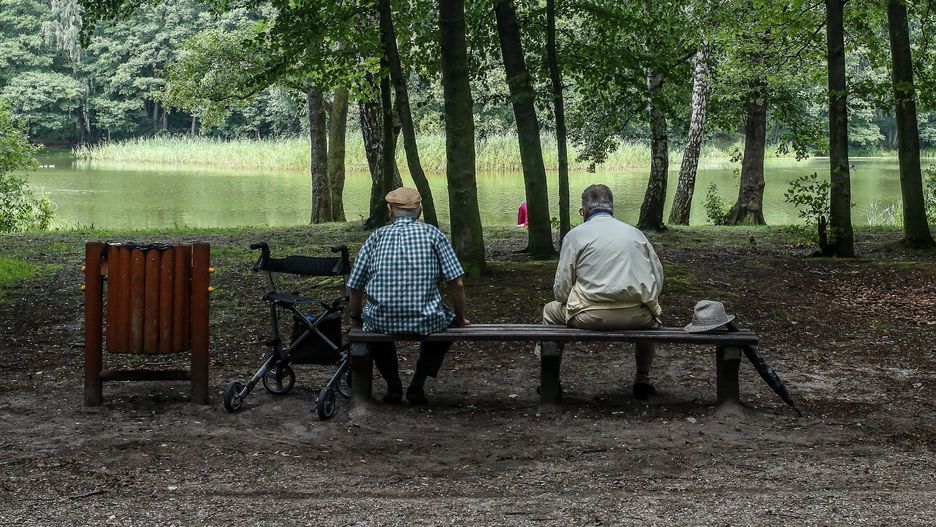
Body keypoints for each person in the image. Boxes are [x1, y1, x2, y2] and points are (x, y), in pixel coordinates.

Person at [347, 187, 469, 405]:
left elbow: (355, 285)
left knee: (373, 324)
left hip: (381, 318)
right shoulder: (434, 235)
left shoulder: (376, 237)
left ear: (390, 210)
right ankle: (418, 384)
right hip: (427, 318)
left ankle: (393, 385)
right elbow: (456, 283)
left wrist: (355, 317)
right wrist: (460, 318)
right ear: (419, 210)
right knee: (447, 325)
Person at [542, 184, 664, 400]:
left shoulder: (575, 236)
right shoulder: (635, 234)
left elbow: (561, 290)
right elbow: (657, 276)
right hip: (638, 316)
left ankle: (550, 381)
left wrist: (571, 298)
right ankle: (642, 380)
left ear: (585, 211)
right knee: (651, 317)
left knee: (550, 311)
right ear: (611, 209)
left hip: (591, 316)